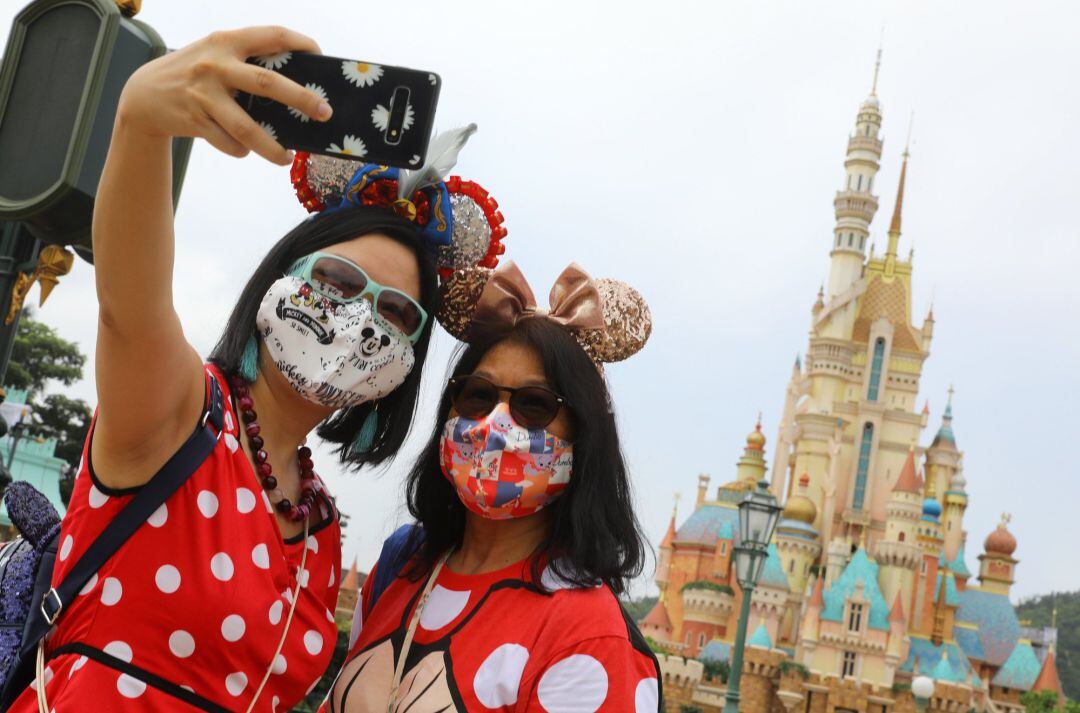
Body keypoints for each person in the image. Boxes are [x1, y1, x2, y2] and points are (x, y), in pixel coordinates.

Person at [9, 26, 506, 712]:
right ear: (281, 277)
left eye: (396, 313)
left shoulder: (322, 523)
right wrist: (141, 122)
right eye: (336, 278)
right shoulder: (180, 413)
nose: (361, 317)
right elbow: (130, 302)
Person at [324, 261, 661, 712]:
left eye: (534, 405)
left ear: (584, 437)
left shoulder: (589, 633)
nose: (494, 426)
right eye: (478, 395)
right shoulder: (403, 563)